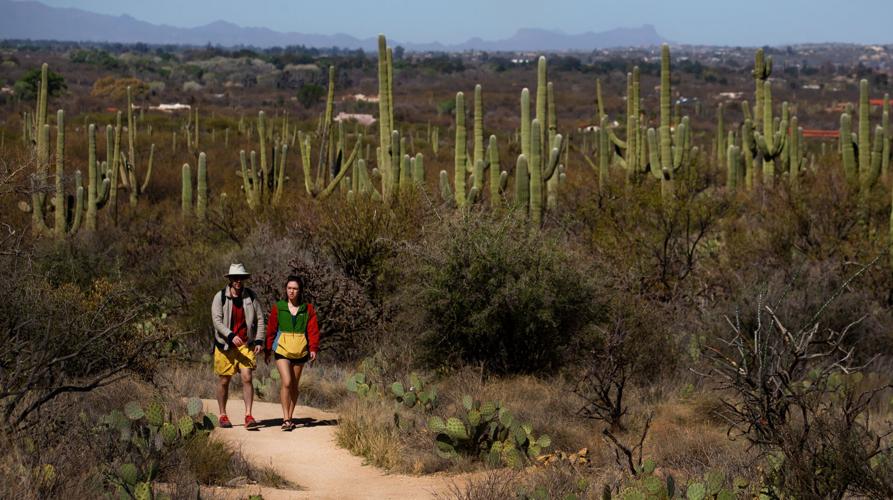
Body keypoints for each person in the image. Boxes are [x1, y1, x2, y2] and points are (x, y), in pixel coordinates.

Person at [211, 263, 266, 429]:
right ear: (230, 279)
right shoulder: (219, 297)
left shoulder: (250, 297)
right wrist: (230, 335)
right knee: (224, 380)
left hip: (245, 344)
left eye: (240, 278)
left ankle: (248, 415)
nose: (238, 281)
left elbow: (261, 319)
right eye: (235, 278)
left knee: (247, 377)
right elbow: (217, 321)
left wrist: (258, 340)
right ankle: (222, 414)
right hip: (225, 346)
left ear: (244, 279)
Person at [265, 274, 319, 431]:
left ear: (300, 290)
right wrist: (268, 349)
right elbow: (271, 329)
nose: (292, 291)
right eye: (289, 288)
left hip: (300, 351)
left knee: (294, 386)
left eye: (295, 288)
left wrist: (313, 348)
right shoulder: (279, 307)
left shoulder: (307, 309)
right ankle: (285, 418)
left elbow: (313, 330)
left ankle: (290, 416)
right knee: (287, 382)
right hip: (282, 350)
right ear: (285, 289)